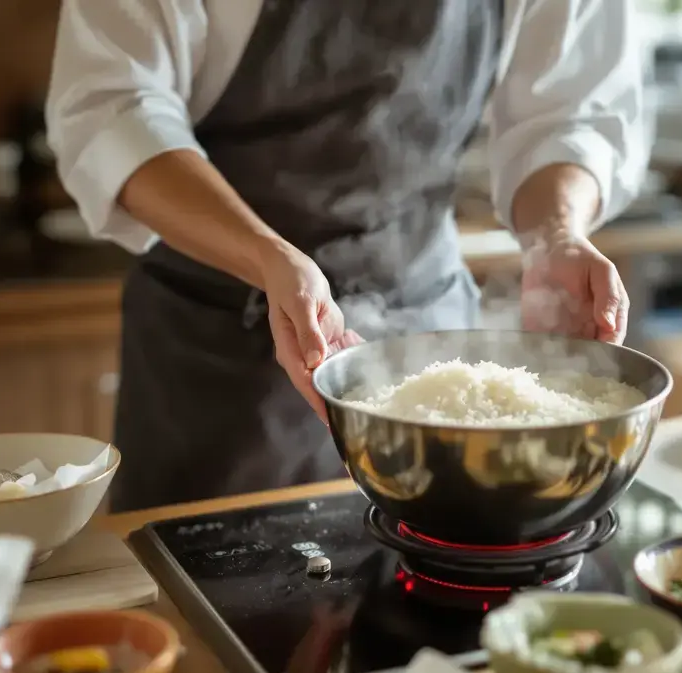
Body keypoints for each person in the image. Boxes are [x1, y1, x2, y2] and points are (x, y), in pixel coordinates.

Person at [46, 0, 646, 513]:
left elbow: (572, 110)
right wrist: (268, 255)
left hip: (426, 340)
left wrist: (557, 235)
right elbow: (111, 108)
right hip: (215, 362)